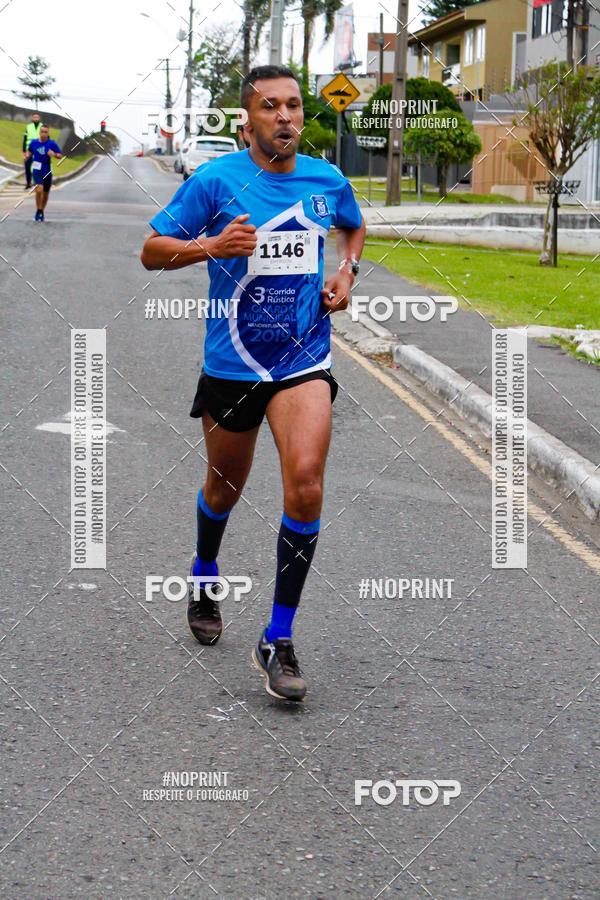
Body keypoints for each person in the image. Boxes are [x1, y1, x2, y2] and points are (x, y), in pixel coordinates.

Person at [141, 64, 365, 702]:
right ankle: (204, 571)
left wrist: (347, 273)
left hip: (303, 360)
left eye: (294, 105)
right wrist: (211, 246)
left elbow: (352, 227)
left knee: (306, 483)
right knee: (224, 488)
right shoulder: (216, 181)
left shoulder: (326, 180)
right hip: (233, 364)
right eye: (271, 107)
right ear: (248, 121)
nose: (286, 116)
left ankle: (278, 636)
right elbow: (152, 249)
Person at [26, 126, 62, 222]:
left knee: (45, 194)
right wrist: (27, 156)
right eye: (42, 131)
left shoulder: (51, 143)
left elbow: (60, 155)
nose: (44, 134)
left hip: (47, 170)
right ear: (39, 132)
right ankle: (38, 210)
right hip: (36, 169)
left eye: (46, 132)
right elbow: (29, 151)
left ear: (48, 133)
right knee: (39, 190)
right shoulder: (34, 142)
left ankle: (41, 211)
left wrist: (54, 154)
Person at [22, 112, 43, 190]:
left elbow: (46, 138)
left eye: (37, 117)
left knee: (37, 167)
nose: (36, 119)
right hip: (29, 150)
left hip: (39, 150)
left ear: (39, 118)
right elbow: (24, 140)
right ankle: (28, 183)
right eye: (34, 117)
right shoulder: (28, 127)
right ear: (32, 118)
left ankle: (36, 183)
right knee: (27, 167)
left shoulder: (42, 127)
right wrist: (24, 152)